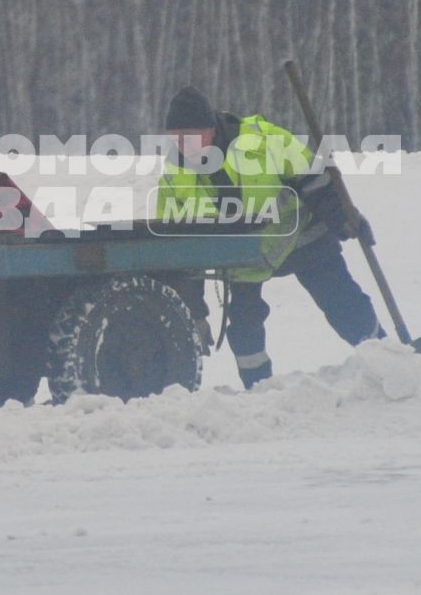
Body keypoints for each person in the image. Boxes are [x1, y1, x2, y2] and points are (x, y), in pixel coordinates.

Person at [158, 84, 382, 386]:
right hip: (245, 259)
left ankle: (386, 357)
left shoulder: (263, 141)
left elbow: (317, 182)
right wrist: (195, 312)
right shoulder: (175, 176)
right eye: (177, 138)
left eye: (191, 136)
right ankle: (259, 389)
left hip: (302, 239)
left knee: (343, 302)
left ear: (211, 129)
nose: (185, 145)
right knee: (244, 326)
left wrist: (344, 219)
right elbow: (181, 251)